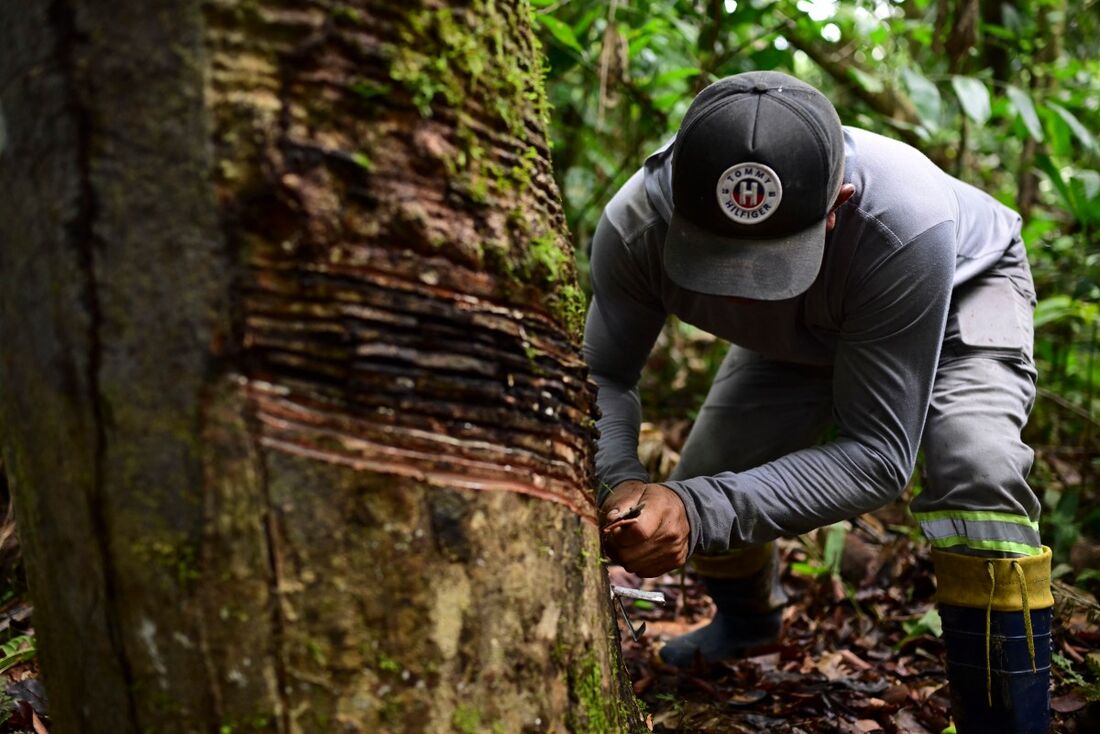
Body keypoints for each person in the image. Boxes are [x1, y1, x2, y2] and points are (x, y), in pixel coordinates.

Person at [586, 70, 1052, 734]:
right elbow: (603, 373)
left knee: (977, 473)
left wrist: (700, 509)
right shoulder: (638, 224)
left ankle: (1006, 718)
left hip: (958, 292)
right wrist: (622, 480)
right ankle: (748, 626)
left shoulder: (904, 220)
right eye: (720, 262)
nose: (745, 291)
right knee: (711, 476)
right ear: (678, 205)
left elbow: (879, 456)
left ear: (841, 200)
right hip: (807, 331)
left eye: (768, 264)